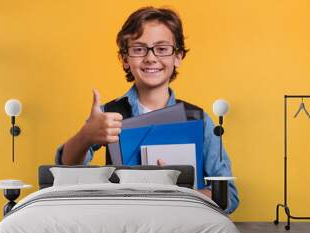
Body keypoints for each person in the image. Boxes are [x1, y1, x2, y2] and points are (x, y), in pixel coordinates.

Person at [55, 7, 239, 214]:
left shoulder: (198, 119)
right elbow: (65, 170)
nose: (151, 58)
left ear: (177, 56)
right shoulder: (108, 115)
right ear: (125, 59)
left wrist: (180, 193)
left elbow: (228, 196)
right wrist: (86, 136)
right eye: (139, 49)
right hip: (123, 225)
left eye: (162, 49)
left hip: (183, 227)